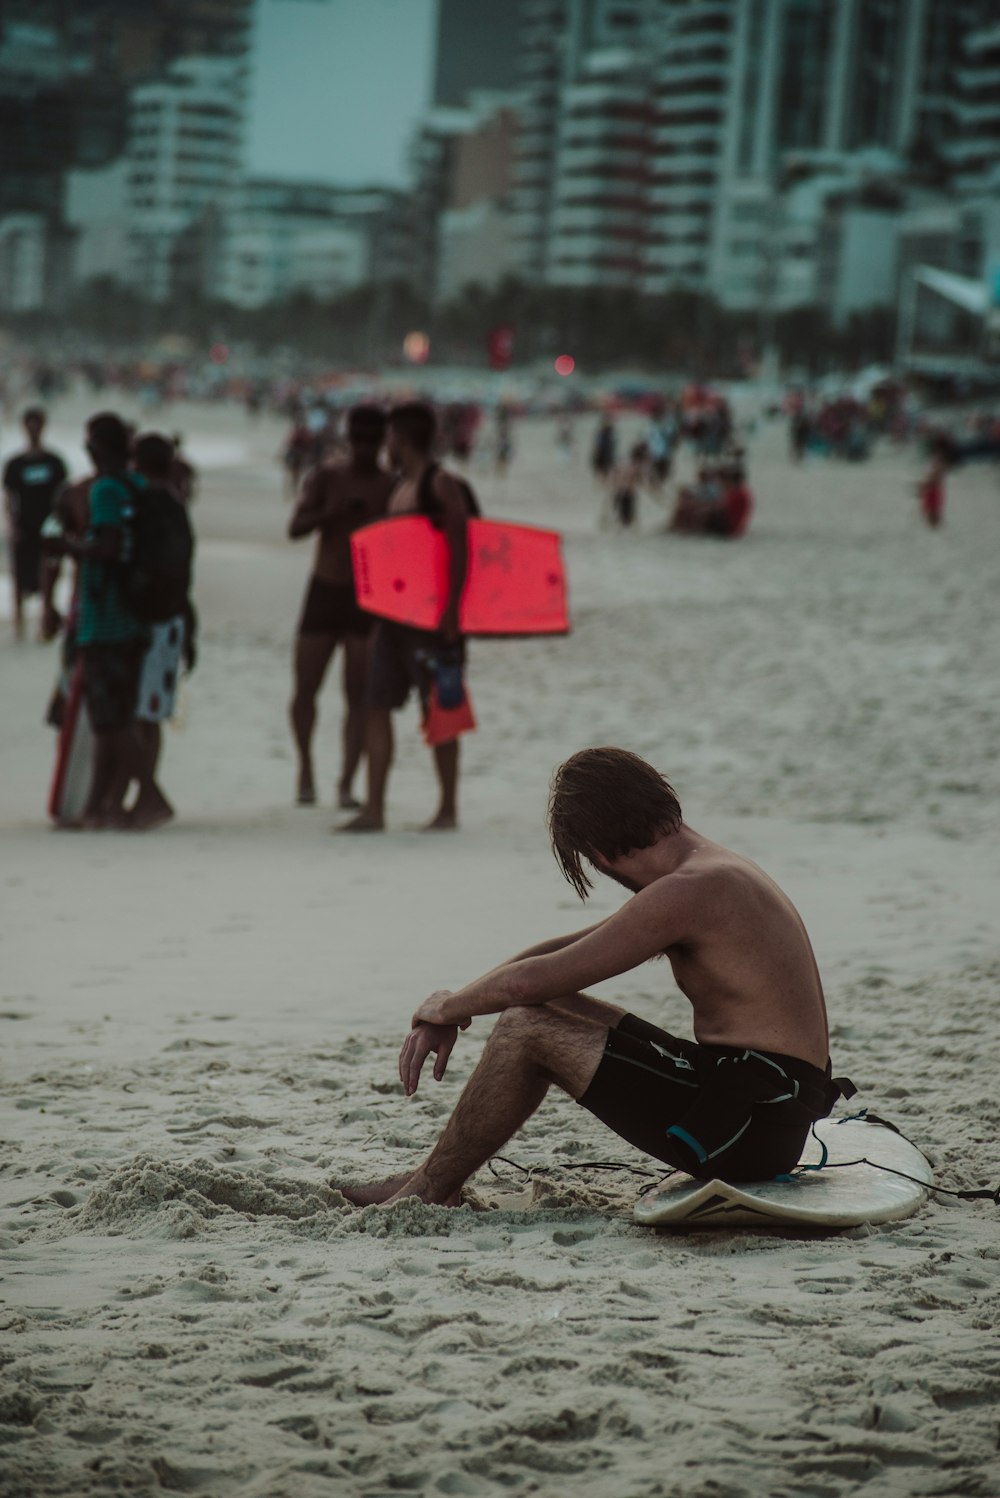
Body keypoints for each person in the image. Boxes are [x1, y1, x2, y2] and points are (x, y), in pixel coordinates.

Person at [336, 748, 853, 1207]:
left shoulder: (690, 890)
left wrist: (446, 1009)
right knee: (535, 1011)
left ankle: (428, 1192)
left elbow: (527, 983)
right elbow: (555, 958)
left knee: (525, 1028)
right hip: (761, 1101)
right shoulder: (707, 869)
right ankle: (430, 1178)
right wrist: (459, 1001)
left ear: (599, 854)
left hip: (751, 1125)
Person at [342, 401, 470, 833]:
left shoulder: (440, 483)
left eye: (391, 438)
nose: (386, 446)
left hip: (432, 623)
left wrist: (451, 613)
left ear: (403, 438)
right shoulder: (402, 485)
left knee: (439, 711)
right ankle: (374, 809)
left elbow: (460, 546)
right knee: (376, 704)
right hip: (394, 620)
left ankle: (448, 808)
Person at [288, 405, 394, 809]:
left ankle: (347, 781)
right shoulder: (328, 477)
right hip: (325, 589)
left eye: (373, 441)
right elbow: (295, 528)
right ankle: (305, 769)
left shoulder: (390, 485)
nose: (366, 448)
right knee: (305, 690)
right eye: (360, 440)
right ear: (350, 440)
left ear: (382, 442)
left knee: (359, 696)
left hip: (366, 598)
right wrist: (331, 513)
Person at [62, 413, 149, 828]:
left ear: (98, 449)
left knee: (109, 720)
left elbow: (109, 547)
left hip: (107, 617)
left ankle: (149, 794)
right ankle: (100, 803)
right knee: (115, 716)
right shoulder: (141, 486)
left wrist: (71, 547)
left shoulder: (106, 491)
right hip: (137, 615)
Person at [128, 432, 198, 830]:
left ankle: (148, 795)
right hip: (170, 618)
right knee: (148, 715)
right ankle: (143, 793)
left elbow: (164, 569)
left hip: (155, 620)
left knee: (142, 715)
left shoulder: (151, 503)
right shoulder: (173, 503)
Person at [3, 407, 67, 640]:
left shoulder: (54, 462)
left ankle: (45, 623)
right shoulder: (15, 464)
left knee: (47, 575)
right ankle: (19, 626)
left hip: (48, 525)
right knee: (20, 576)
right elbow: (10, 498)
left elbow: (62, 496)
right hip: (24, 525)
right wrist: (12, 525)